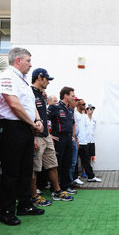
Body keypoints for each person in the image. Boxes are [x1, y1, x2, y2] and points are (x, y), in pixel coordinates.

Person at [0, 47, 45, 226]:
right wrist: (33, 124)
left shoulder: (23, 81)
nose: (30, 65)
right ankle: (6, 210)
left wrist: (37, 121)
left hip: (26, 128)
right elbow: (14, 105)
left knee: (26, 169)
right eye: (28, 61)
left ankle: (25, 204)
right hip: (12, 128)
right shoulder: (7, 76)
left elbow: (31, 106)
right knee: (11, 171)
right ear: (18, 60)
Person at [30, 68, 73, 204]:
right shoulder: (29, 92)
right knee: (35, 168)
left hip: (46, 135)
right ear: (39, 78)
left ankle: (57, 191)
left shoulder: (42, 94)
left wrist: (48, 134)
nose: (48, 82)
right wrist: (32, 137)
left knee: (53, 164)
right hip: (35, 135)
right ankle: (34, 196)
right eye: (47, 79)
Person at [48, 87, 78, 195]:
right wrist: (48, 135)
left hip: (69, 139)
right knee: (58, 164)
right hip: (59, 138)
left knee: (68, 163)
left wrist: (73, 136)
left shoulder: (70, 109)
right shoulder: (54, 107)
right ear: (65, 95)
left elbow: (73, 123)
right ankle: (55, 188)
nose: (73, 97)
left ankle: (66, 186)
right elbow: (44, 119)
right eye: (72, 95)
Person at [77, 102, 102, 183]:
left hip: (91, 140)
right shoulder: (84, 118)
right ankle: (83, 173)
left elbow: (92, 130)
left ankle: (90, 174)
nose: (91, 110)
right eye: (90, 109)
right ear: (86, 110)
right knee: (83, 158)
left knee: (89, 157)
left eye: (92, 109)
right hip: (84, 141)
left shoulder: (94, 120)